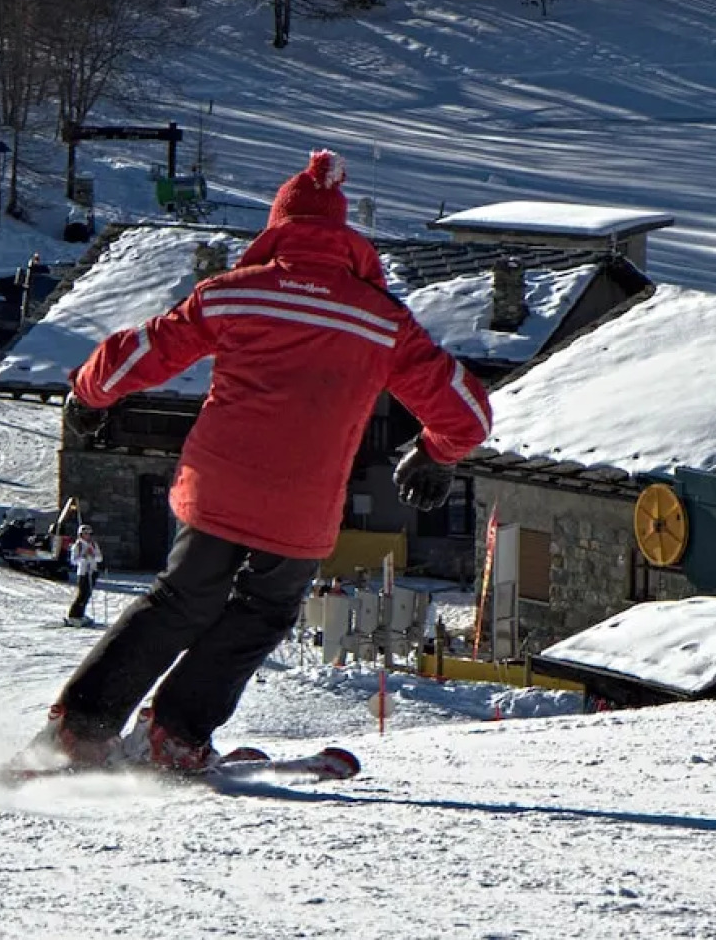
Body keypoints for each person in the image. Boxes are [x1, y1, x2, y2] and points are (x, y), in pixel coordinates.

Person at [29, 149, 493, 772]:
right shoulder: (382, 320)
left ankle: (79, 733)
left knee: (178, 601)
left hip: (218, 483)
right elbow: (468, 411)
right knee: (263, 611)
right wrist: (435, 453)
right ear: (345, 239)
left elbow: (144, 351)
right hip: (302, 504)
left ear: (277, 230)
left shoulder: (232, 295)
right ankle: (176, 737)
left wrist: (87, 395)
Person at [66, 524, 103, 626]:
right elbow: (73, 561)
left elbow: (100, 558)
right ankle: (73, 615)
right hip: (83, 573)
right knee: (82, 594)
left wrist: (93, 556)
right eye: (85, 534)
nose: (87, 536)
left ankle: (81, 614)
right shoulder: (78, 545)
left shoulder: (93, 544)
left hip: (92, 572)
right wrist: (83, 557)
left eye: (89, 534)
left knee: (88, 594)